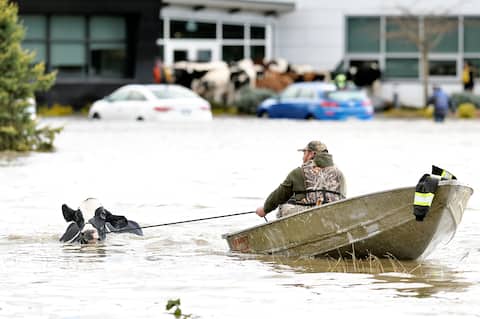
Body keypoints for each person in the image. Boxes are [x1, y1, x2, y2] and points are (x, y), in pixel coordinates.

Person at [256, 141, 346, 219]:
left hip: (309, 218)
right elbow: (342, 197)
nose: (302, 158)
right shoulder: (339, 173)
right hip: (334, 214)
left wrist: (265, 209)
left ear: (311, 154)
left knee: (283, 205)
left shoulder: (298, 172)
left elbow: (279, 195)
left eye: (304, 153)